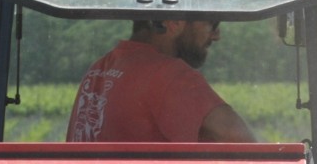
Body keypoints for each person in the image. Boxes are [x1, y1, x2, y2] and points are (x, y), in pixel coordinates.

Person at [66, 18, 257, 143]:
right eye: (212, 23)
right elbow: (238, 137)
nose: (216, 35)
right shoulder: (166, 73)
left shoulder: (100, 68)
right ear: (173, 22)